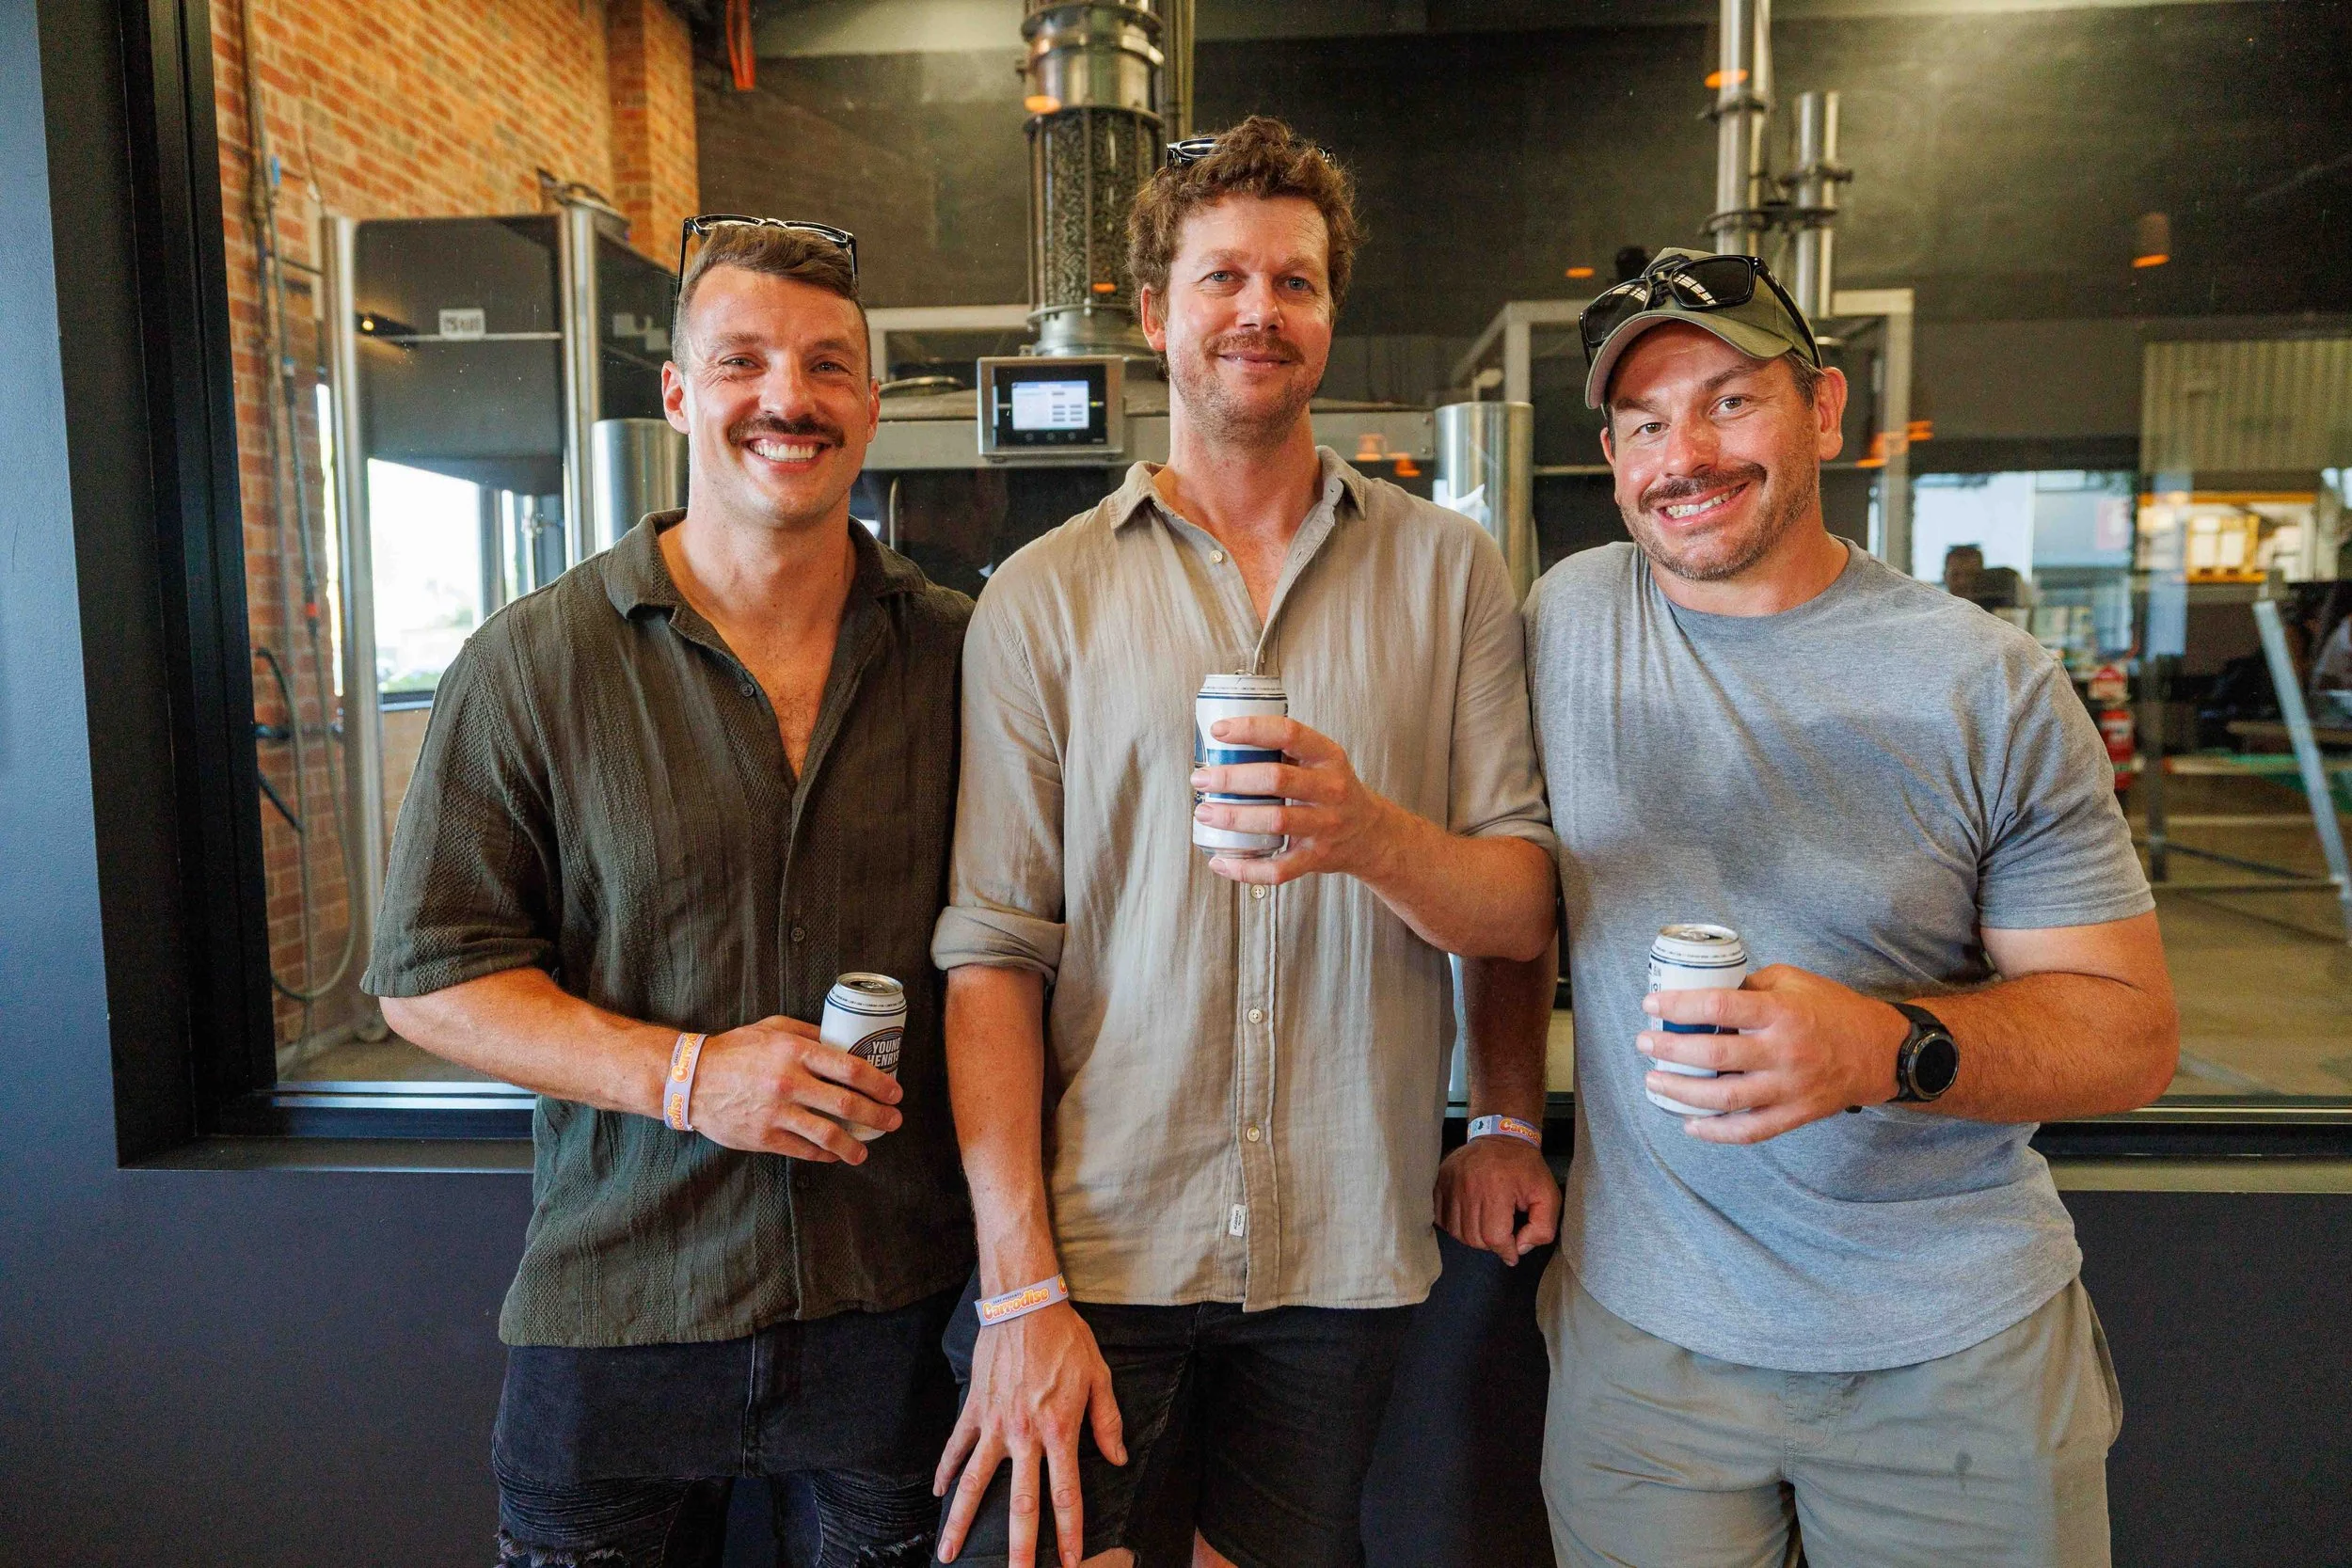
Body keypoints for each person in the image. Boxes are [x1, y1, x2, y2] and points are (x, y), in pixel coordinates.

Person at [1472, 246, 2180, 1567]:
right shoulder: (1567, 619)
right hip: (1646, 1357)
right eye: (1643, 424)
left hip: (1950, 1357)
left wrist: (1880, 1048)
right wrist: (1505, 1111)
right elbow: (1516, 887)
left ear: (1826, 409)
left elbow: (2129, 1033)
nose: (1685, 455)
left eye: (1731, 401)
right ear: (1613, 459)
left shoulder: (1988, 683)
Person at [927, 117, 1560, 1568]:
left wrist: (1369, 834)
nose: (1259, 310)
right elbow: (992, 954)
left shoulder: (1449, 571)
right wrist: (1017, 1284)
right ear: (1156, 315)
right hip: (1101, 1238)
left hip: (1344, 1238)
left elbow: (1520, 902)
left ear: (1329, 316)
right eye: (1222, 278)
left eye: (1295, 281)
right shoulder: (1042, 596)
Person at [364, 220, 976, 1568]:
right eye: (742, 361)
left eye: (826, 365)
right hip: (618, 1321)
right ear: (680, 394)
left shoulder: (962, 655)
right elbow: (430, 978)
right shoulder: (534, 662)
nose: (787, 398)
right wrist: (690, 1077)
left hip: (894, 1320)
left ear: (869, 405)